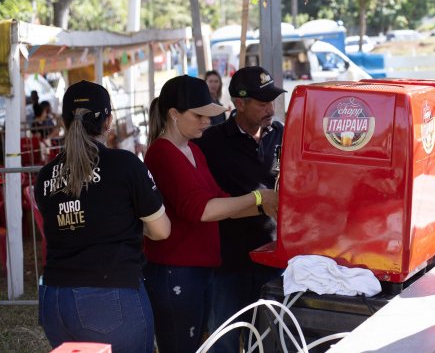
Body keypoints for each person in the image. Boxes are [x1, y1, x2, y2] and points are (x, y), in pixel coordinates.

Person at [143, 74, 279, 353]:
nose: (207, 121)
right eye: (199, 115)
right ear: (173, 114)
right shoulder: (163, 152)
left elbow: (220, 201)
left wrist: (264, 204)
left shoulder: (192, 149)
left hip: (200, 268)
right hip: (177, 270)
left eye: (209, 114)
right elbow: (201, 209)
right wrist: (258, 197)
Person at [35, 80, 171, 352]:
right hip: (109, 297)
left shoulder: (45, 175)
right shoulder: (125, 164)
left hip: (54, 300)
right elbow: (161, 230)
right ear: (108, 121)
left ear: (63, 121)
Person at [194, 66, 286, 353]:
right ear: (239, 103)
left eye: (272, 101)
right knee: (223, 342)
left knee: (271, 342)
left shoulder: (282, 134)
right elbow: (203, 202)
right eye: (262, 103)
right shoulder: (211, 142)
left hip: (274, 260)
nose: (270, 109)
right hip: (227, 263)